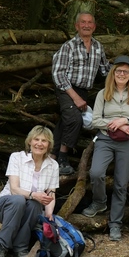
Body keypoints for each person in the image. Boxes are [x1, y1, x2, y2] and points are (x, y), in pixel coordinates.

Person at [82, 56, 129, 241]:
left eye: (126, 71)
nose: (122, 74)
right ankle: (99, 202)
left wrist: (126, 120)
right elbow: (95, 120)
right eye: (119, 71)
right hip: (105, 139)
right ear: (113, 73)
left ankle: (115, 224)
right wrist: (116, 124)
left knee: (120, 184)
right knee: (96, 172)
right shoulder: (103, 93)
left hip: (128, 141)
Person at [50, 12, 111, 175]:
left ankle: (51, 156)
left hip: (83, 90)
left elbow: (106, 70)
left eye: (90, 22)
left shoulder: (98, 47)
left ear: (94, 26)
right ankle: (62, 159)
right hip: (66, 88)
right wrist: (75, 97)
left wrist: (126, 69)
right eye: (83, 22)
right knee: (74, 119)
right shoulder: (69, 46)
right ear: (77, 26)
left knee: (65, 121)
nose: (86, 25)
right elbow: (58, 74)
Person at [0, 126, 59, 257]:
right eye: (36, 139)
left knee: (34, 204)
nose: (39, 144)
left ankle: (20, 247)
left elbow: (51, 194)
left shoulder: (53, 165)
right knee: (19, 200)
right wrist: (34, 194)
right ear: (29, 142)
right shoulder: (17, 157)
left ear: (49, 145)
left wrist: (49, 213)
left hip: (29, 209)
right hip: (5, 206)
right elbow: (14, 189)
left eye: (44, 141)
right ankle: (1, 246)